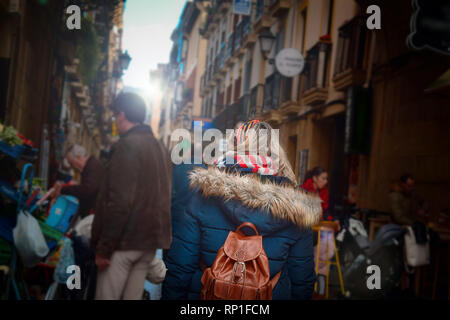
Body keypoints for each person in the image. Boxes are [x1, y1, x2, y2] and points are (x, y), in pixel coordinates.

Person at [162, 120, 322, 300]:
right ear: (276, 152)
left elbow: (179, 269)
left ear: (233, 148)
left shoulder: (202, 195)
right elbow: (302, 282)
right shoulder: (297, 208)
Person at [91, 92, 172, 300]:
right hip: (147, 244)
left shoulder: (128, 146)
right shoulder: (159, 147)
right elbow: (165, 194)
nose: (114, 121)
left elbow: (120, 202)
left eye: (114, 116)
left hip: (123, 244)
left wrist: (104, 248)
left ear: (121, 115)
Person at [301, 166, 333, 295]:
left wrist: (331, 220)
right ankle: (315, 279)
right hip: (306, 230)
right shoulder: (304, 190)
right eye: (323, 178)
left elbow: (326, 212)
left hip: (318, 230)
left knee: (328, 246)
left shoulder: (324, 192)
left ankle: (319, 279)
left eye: (326, 179)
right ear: (314, 178)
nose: (325, 181)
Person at [52, 144, 104, 219]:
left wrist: (64, 189)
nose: (73, 167)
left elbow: (88, 189)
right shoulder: (90, 166)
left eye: (71, 163)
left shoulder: (93, 166)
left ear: (78, 157)